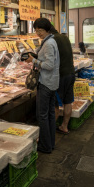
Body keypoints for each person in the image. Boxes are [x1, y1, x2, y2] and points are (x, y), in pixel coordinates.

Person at [25, 18, 59, 153]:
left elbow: (49, 65)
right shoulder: (50, 41)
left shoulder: (49, 43)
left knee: (42, 115)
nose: (38, 33)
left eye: (40, 30)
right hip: (51, 82)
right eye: (36, 30)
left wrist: (34, 60)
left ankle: (45, 146)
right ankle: (50, 143)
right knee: (50, 114)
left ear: (47, 29)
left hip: (46, 82)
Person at [51, 27, 75, 135]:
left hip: (60, 75)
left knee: (55, 104)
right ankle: (64, 126)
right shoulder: (65, 37)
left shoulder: (52, 40)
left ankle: (48, 132)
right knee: (68, 101)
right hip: (70, 72)